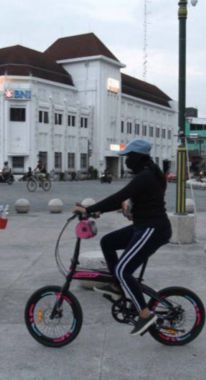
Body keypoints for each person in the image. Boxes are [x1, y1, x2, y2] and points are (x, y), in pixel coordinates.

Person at [73, 139, 171, 336]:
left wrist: (89, 209)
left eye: (128, 157)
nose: (126, 161)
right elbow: (128, 200)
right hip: (143, 226)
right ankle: (118, 286)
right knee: (107, 242)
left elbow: (120, 196)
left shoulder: (145, 176)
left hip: (153, 229)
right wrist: (99, 211)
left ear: (137, 157)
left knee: (123, 269)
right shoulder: (147, 174)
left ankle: (145, 313)